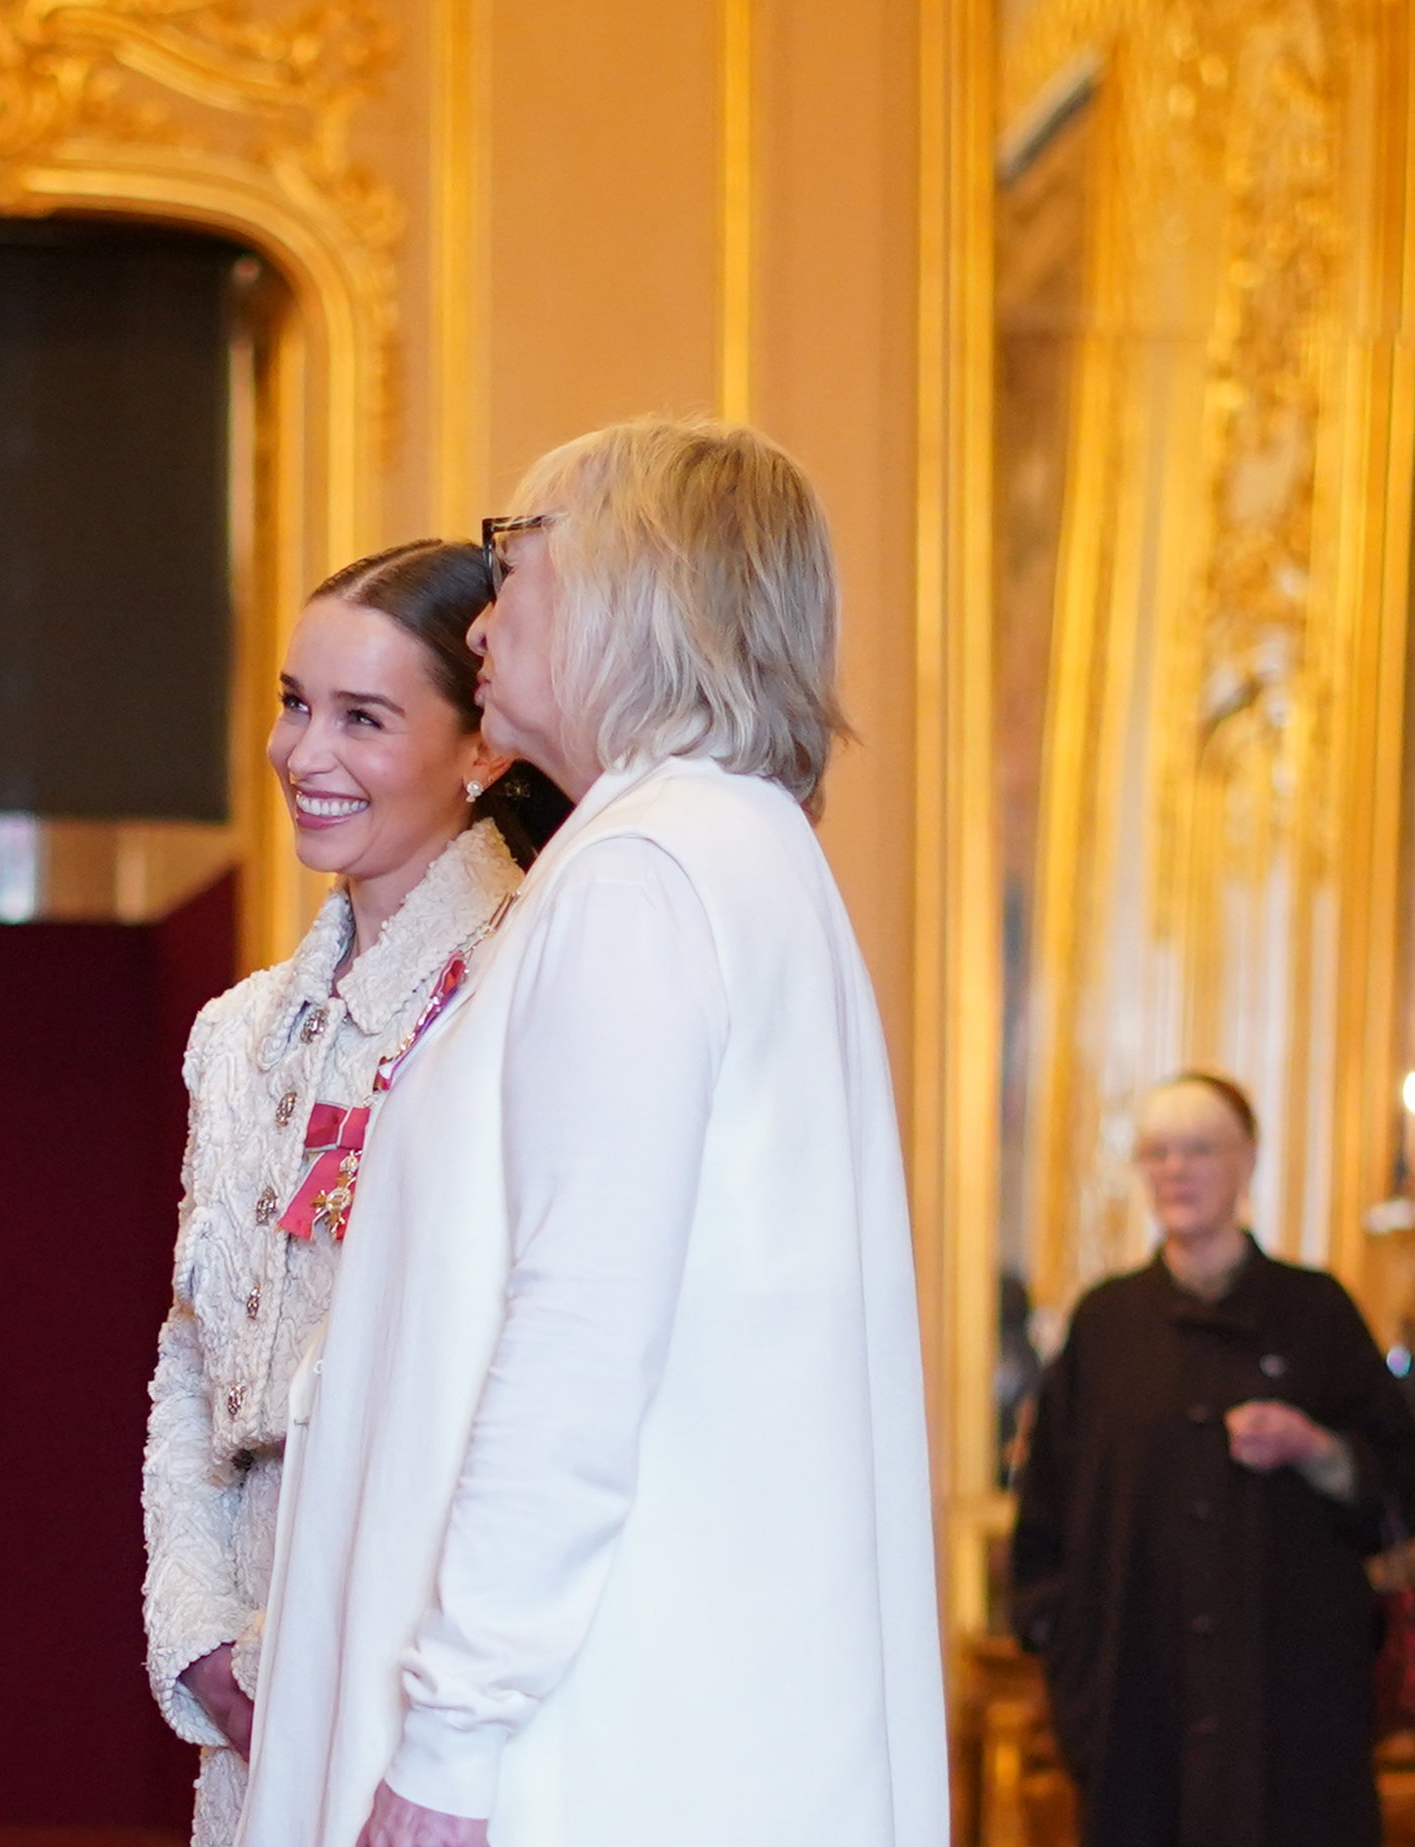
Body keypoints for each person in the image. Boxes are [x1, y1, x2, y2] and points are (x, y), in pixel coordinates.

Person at [238, 418, 946, 1847]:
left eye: (521, 559)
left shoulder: (638, 874)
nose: (487, 615)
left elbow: (578, 1322)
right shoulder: (728, 849)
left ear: (636, 581)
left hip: (577, 1736)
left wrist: (451, 1724)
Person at [142, 541, 566, 1846]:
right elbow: (193, 1360)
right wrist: (203, 1628)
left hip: (431, 1650)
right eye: (293, 701)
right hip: (254, 1675)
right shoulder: (240, 1030)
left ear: (480, 745)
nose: (303, 751)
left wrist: (375, 1654)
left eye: (363, 717)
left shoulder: (528, 987)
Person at [1011, 1072, 1415, 1847]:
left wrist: (1314, 1447)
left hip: (1290, 1709)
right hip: (1137, 1708)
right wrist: (1073, 1662)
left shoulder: (1316, 1311)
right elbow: (1048, 1514)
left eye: (1199, 1147)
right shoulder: (1105, 1323)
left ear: (1247, 1161)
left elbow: (1395, 1481)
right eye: (1157, 1151)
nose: (1175, 1169)